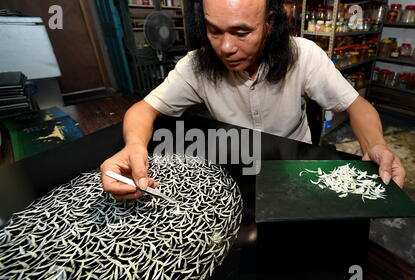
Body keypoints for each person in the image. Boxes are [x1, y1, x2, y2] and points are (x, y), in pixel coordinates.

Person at [100, 0, 405, 200]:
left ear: (270, 22)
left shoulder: (304, 55)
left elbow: (356, 105)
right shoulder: (196, 65)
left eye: (242, 32)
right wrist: (134, 146)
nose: (226, 47)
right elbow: (144, 108)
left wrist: (376, 145)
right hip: (236, 171)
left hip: (295, 169)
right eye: (214, 31)